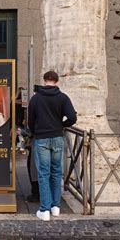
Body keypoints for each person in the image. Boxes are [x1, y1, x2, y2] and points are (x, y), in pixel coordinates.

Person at [27, 71, 77, 221]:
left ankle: (45, 209)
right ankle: (56, 207)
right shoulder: (63, 97)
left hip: (41, 138)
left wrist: (36, 132)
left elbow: (31, 122)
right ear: (57, 81)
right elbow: (72, 117)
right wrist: (61, 125)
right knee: (56, 172)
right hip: (57, 137)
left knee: (43, 174)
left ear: (44, 81)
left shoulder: (35, 99)